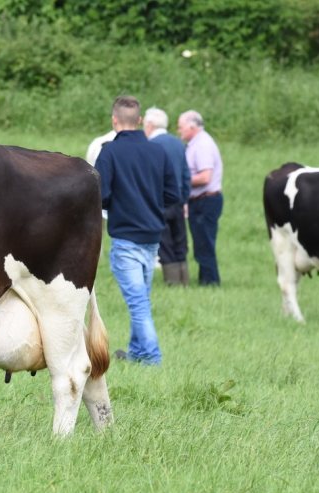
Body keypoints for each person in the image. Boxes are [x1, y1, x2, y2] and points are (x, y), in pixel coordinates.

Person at [95, 96, 180, 365]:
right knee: (141, 297)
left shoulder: (109, 152)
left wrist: (121, 203)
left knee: (138, 304)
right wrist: (150, 206)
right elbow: (173, 194)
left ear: (114, 121)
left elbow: (101, 195)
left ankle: (153, 358)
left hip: (126, 239)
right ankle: (138, 353)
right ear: (140, 121)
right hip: (152, 237)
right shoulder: (158, 151)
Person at [144, 107, 191, 286]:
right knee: (180, 240)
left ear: (149, 125)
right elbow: (186, 175)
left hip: (159, 202)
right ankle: (184, 280)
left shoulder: (150, 146)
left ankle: (172, 282)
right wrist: (184, 198)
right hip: (177, 201)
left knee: (165, 242)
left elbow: (148, 177)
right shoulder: (178, 143)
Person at [177, 110, 223, 286]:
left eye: (180, 127)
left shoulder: (202, 144)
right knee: (201, 243)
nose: (179, 130)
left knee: (204, 244)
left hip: (206, 201)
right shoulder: (196, 143)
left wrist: (182, 181)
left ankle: (210, 282)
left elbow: (205, 177)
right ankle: (206, 280)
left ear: (191, 126)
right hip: (201, 200)